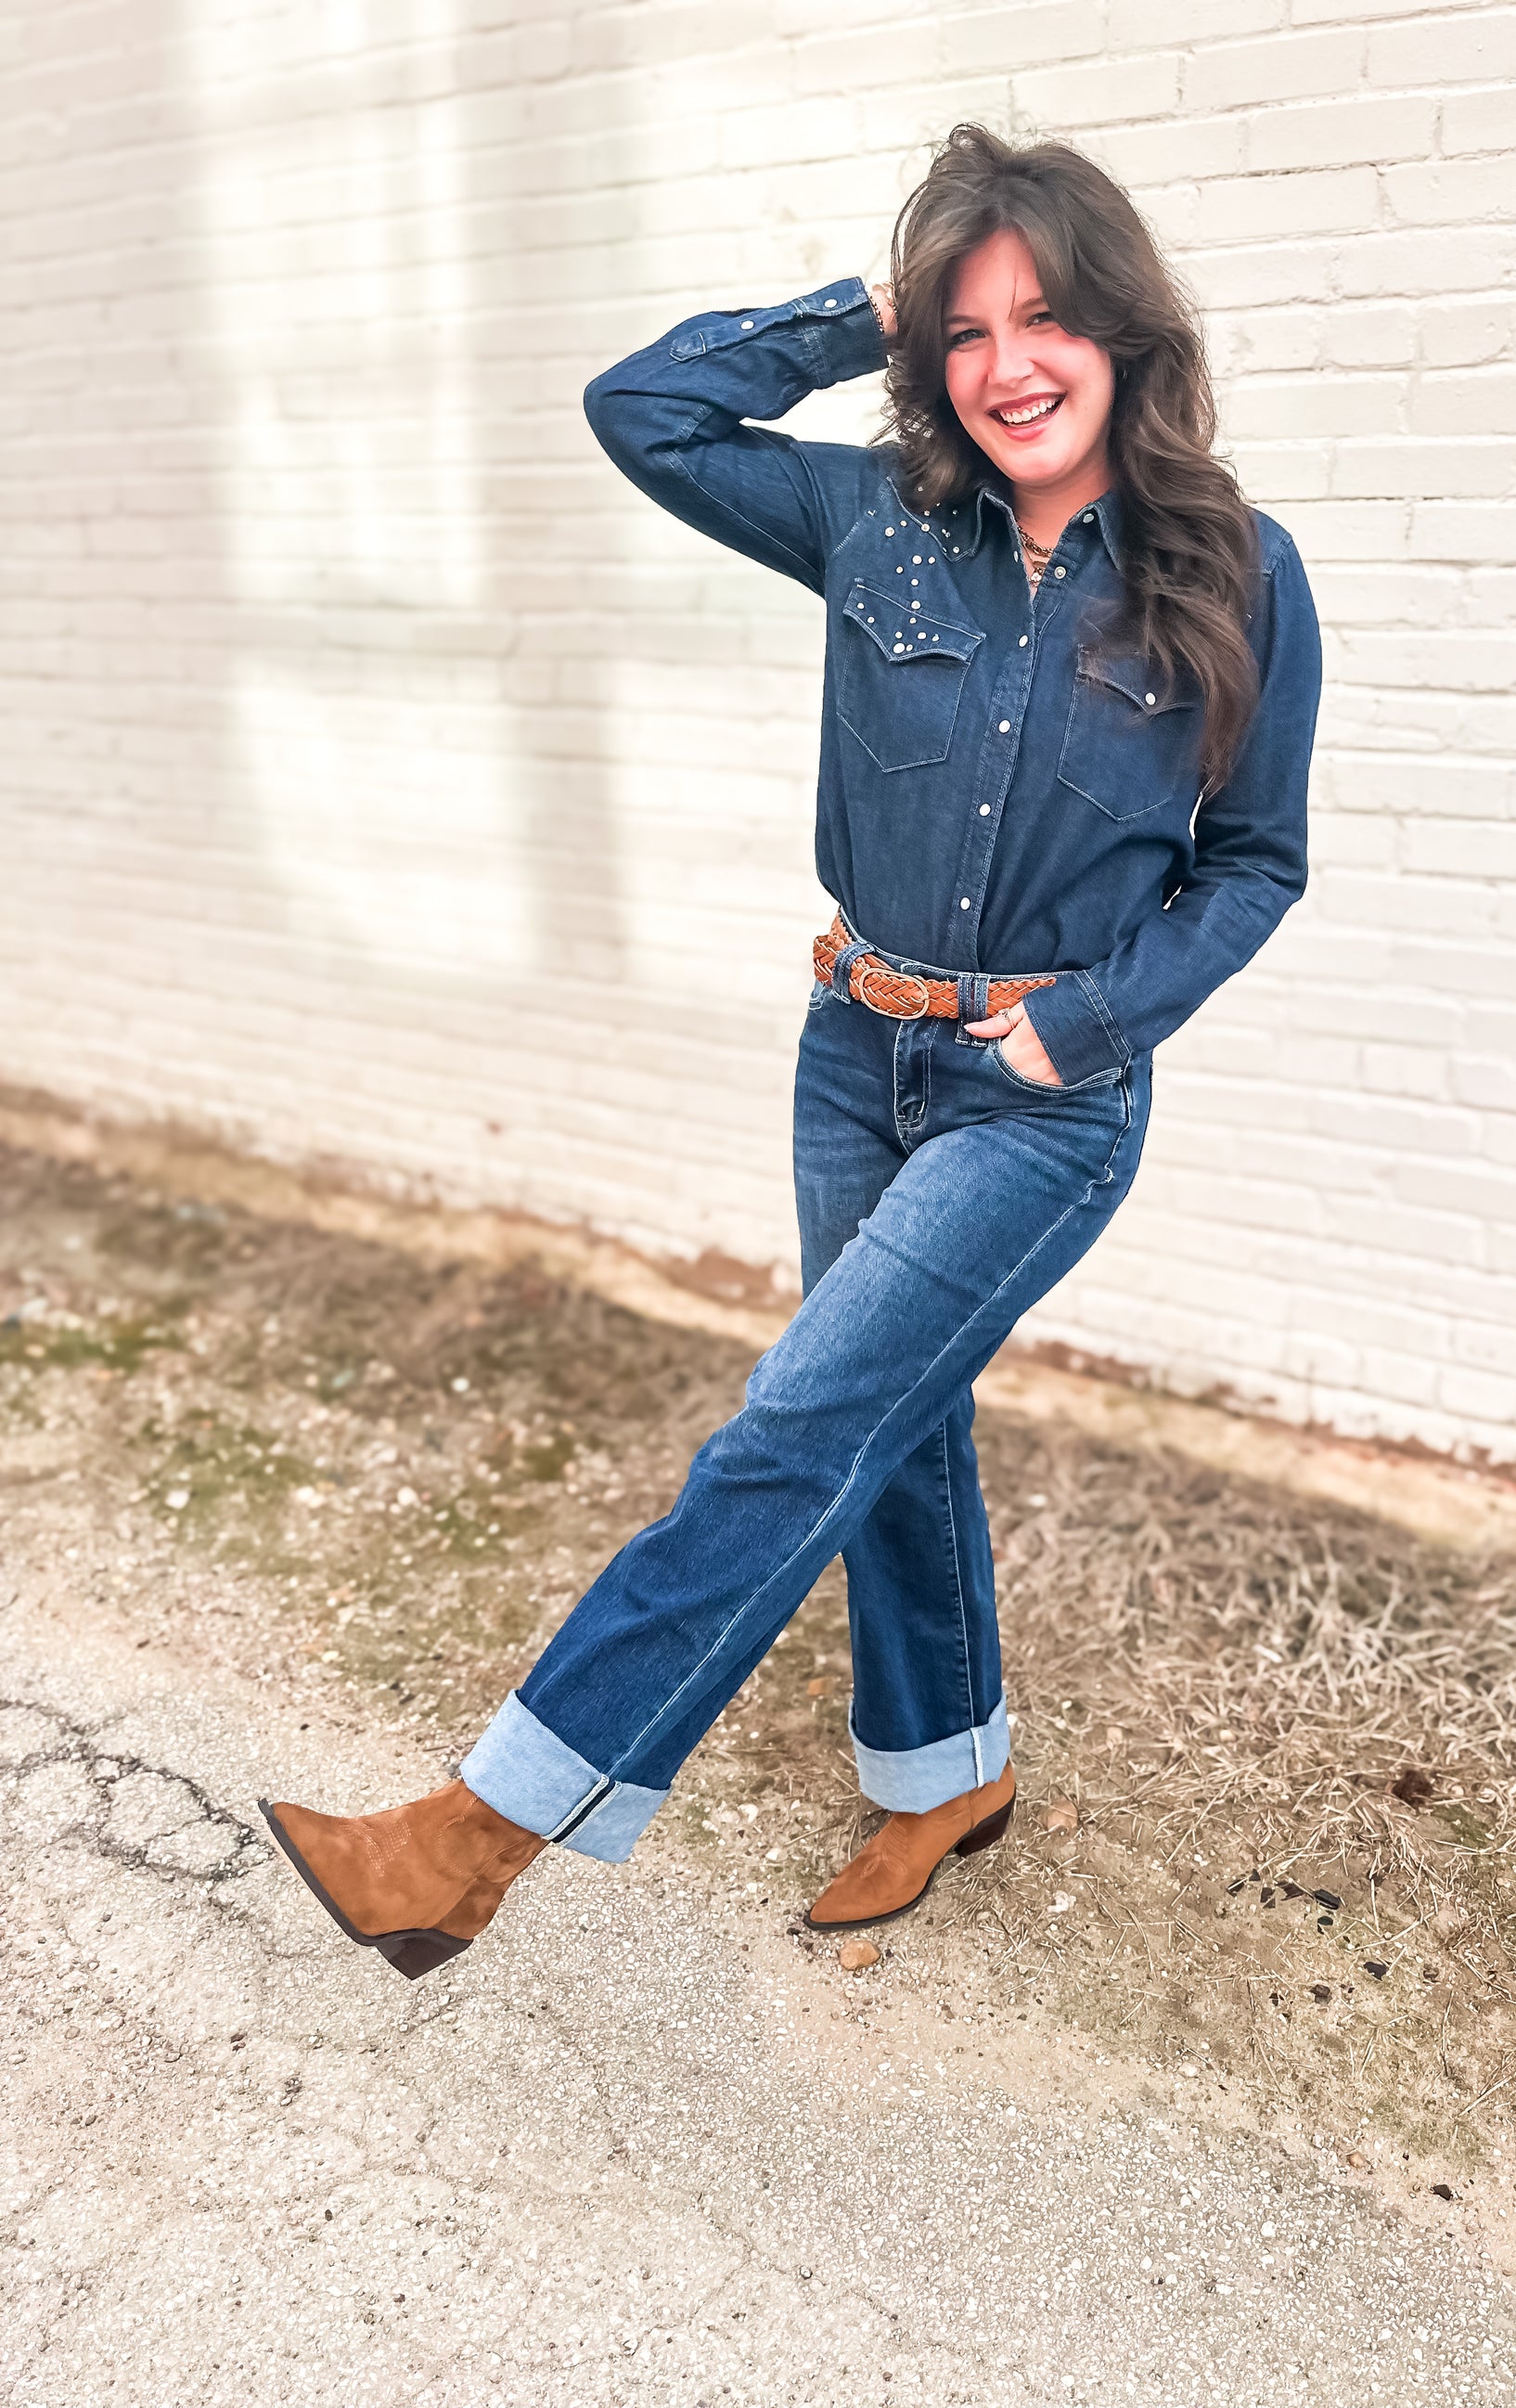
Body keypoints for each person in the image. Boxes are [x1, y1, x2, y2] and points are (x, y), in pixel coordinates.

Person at [261, 122, 1320, 1981]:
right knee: (890, 1428)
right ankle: (948, 1770)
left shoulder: (1239, 568)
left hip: (1040, 1101)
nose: (1009, 364)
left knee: (797, 1424)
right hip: (856, 1052)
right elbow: (643, 407)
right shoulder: (872, 521)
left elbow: (1254, 861)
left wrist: (1088, 1020)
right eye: (967, 326)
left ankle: (472, 1836)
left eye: (1049, 318)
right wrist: (866, 311)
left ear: (1128, 340)